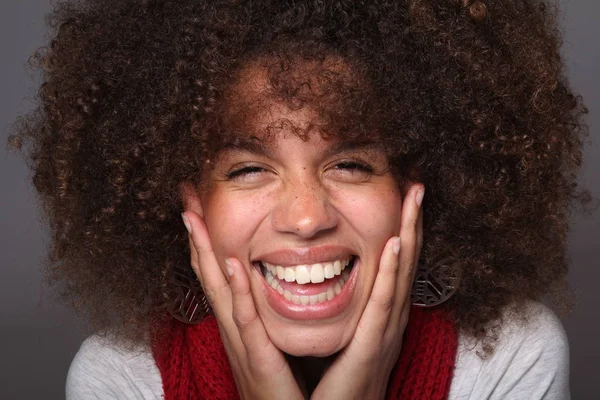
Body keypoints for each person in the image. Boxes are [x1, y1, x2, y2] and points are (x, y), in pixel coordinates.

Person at [11, 0, 588, 399]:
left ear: (412, 189)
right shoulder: (123, 379)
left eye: (350, 164)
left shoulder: (510, 357)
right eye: (248, 170)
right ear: (192, 204)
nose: (307, 217)